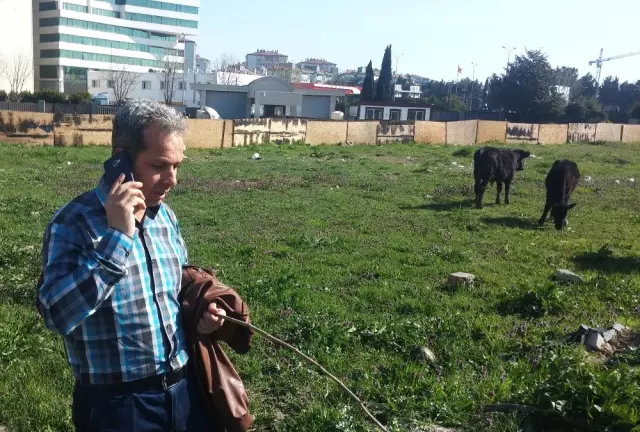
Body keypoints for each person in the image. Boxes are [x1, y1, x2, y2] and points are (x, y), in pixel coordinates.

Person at [36, 99, 227, 432]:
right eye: (159, 165)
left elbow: (172, 299)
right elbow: (56, 315)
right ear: (120, 157)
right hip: (118, 407)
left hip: (184, 391)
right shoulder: (72, 223)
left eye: (177, 166)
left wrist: (200, 316)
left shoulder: (165, 217)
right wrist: (118, 238)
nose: (172, 179)